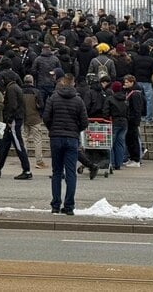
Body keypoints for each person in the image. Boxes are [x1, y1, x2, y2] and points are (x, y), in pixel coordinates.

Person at [42, 74, 88, 215]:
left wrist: (52, 129)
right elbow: (84, 122)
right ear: (73, 84)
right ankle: (69, 206)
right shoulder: (78, 100)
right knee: (71, 173)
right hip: (72, 139)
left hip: (56, 138)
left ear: (62, 83)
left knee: (56, 172)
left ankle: (55, 205)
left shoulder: (53, 98)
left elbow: (46, 117)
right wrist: (75, 130)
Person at [0, 73, 33, 180]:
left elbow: (13, 105)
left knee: (18, 144)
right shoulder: (15, 87)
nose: (2, 81)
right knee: (5, 145)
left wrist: (10, 119)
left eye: (3, 80)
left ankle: (27, 170)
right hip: (15, 119)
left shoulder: (11, 89)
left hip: (14, 120)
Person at [21, 74, 47, 169]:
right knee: (37, 140)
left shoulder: (20, 91)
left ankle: (24, 160)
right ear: (32, 82)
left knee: (24, 139)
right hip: (35, 118)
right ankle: (39, 161)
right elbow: (41, 105)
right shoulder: (36, 92)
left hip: (24, 118)